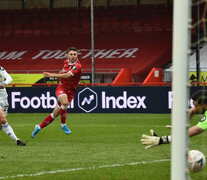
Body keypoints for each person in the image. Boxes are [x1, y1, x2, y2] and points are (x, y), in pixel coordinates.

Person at [31, 47, 82, 138]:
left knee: (55, 114)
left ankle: (38, 127)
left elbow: (66, 75)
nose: (73, 56)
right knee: (65, 102)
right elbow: (63, 72)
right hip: (62, 88)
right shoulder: (66, 62)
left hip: (71, 91)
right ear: (67, 55)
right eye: (71, 54)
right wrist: (60, 75)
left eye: (75, 54)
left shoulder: (77, 66)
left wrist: (51, 75)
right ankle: (63, 125)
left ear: (77, 55)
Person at [141, 89, 207, 149]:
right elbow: (192, 111)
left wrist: (162, 140)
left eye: (197, 105)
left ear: (205, 106)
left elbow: (197, 129)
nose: (195, 108)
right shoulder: (203, 106)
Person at [0, 66, 25, 146]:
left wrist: (3, 84)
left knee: (1, 123)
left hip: (3, 98)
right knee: (3, 119)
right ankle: (17, 140)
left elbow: (9, 78)